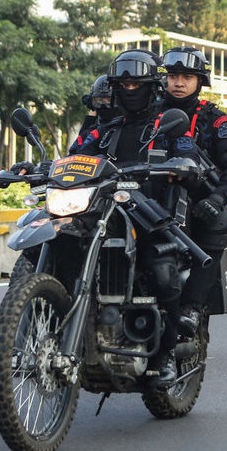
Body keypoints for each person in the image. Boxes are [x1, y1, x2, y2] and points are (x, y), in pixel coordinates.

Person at [75, 48, 181, 384]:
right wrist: (43, 168)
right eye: (123, 84)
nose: (129, 90)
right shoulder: (106, 128)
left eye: (137, 84)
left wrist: (182, 165)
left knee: (163, 272)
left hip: (149, 212)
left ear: (152, 87)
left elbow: (189, 151)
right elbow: (77, 154)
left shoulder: (168, 125)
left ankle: (164, 358)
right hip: (102, 210)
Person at [158, 46, 227, 337]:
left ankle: (193, 306)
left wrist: (216, 198)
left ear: (200, 81)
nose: (178, 83)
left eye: (187, 76)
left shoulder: (215, 119)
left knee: (220, 218)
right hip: (148, 192)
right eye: (173, 76)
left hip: (196, 197)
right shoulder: (146, 112)